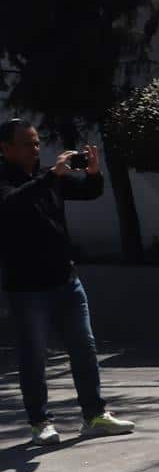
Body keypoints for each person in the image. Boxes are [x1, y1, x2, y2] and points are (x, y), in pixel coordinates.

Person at [0, 121, 136, 444]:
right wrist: (51, 176)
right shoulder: (8, 181)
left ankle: (94, 415)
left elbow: (90, 192)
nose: (34, 149)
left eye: (36, 143)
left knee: (84, 348)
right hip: (27, 288)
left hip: (66, 281)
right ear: (4, 149)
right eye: (25, 144)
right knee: (33, 356)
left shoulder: (50, 177)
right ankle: (39, 422)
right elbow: (10, 204)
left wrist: (93, 171)